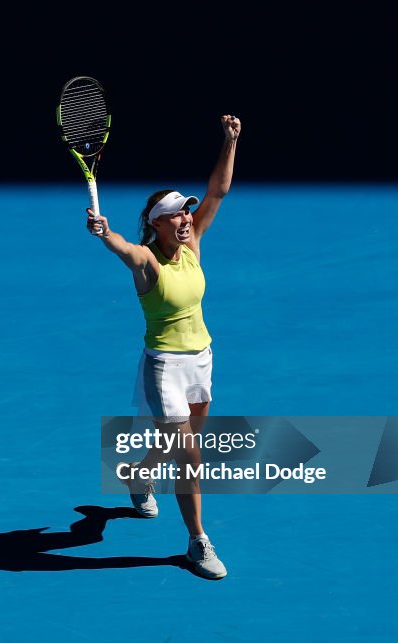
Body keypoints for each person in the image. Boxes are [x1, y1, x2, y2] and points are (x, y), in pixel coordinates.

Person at [86, 114, 240, 580]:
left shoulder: (192, 247)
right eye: (176, 213)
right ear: (157, 224)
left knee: (179, 444)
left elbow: (217, 192)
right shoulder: (148, 261)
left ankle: (136, 474)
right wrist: (105, 233)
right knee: (190, 454)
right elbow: (125, 250)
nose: (186, 217)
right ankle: (196, 542)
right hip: (166, 369)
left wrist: (229, 142)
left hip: (202, 361)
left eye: (186, 211)